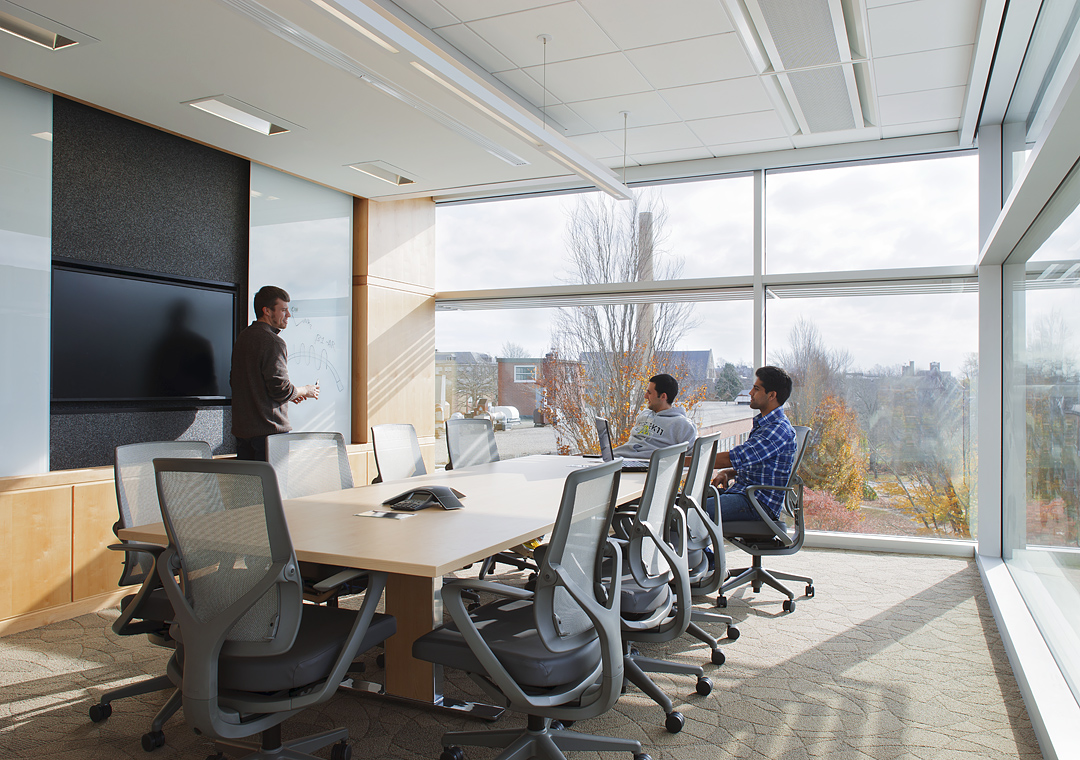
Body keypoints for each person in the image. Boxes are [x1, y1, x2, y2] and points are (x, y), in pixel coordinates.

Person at [230, 285, 319, 461]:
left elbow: (243, 383)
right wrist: (304, 390)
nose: (288, 315)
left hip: (244, 433)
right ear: (267, 311)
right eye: (283, 310)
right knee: (274, 488)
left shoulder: (243, 337)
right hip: (269, 435)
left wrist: (291, 395)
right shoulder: (273, 342)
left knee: (249, 488)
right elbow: (281, 390)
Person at [706, 366, 796, 524]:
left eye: (756, 389)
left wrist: (680, 462)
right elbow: (757, 463)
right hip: (745, 495)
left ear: (772, 395)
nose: (750, 393)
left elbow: (733, 457)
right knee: (683, 502)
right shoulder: (767, 424)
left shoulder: (777, 429)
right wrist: (730, 473)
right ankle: (700, 549)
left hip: (757, 504)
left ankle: (701, 549)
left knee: (689, 511)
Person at [613, 373, 698, 459]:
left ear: (663, 396)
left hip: (642, 465)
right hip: (618, 457)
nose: (645, 396)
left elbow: (692, 459)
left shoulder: (682, 425)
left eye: (649, 393)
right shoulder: (644, 414)